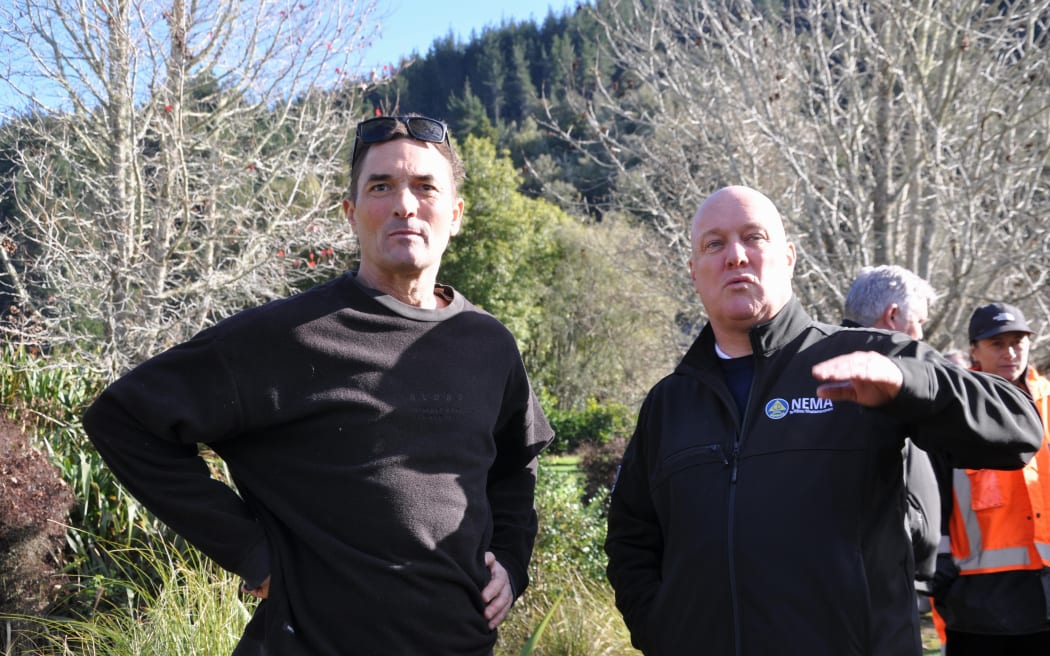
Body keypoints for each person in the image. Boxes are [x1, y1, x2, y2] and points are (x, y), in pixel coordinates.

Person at [81, 114, 555, 656]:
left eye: (425, 187)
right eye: (381, 187)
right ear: (351, 214)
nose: (404, 204)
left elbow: (516, 465)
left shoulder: (488, 343)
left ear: (456, 214)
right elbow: (122, 419)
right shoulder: (287, 335)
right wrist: (250, 552)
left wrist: (512, 563)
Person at [603, 185, 1043, 656]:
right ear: (694, 273)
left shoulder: (869, 356)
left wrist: (909, 385)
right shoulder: (668, 405)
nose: (735, 256)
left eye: (754, 237)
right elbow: (632, 541)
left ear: (789, 257)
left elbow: (1018, 430)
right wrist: (662, 631)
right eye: (714, 244)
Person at [931, 302, 1050, 655]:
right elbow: (934, 497)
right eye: (997, 344)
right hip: (980, 603)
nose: (1011, 353)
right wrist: (940, 576)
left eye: (1018, 341)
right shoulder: (955, 410)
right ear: (974, 350)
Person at [842, 265, 941, 585]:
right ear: (893, 315)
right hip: (877, 573)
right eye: (920, 322)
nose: (922, 335)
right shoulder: (873, 383)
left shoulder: (821, 366)